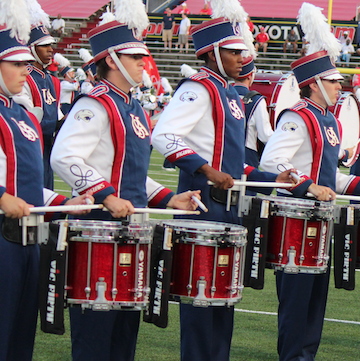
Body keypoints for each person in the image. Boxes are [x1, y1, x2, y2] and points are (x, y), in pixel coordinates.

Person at [52, 3, 201, 359]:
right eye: (134, 57)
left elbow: (131, 171)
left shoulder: (132, 106)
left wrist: (168, 198)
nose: (142, 63)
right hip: (99, 230)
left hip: (132, 228)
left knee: (124, 337)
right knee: (96, 335)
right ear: (113, 60)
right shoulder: (96, 103)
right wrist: (105, 196)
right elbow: (64, 156)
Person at [151, 6, 289, 359]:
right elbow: (164, 136)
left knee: (222, 302)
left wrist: (274, 178)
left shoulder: (229, 93)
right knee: (200, 305)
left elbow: (235, 164)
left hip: (228, 208)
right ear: (212, 54)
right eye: (231, 51)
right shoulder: (198, 88)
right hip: (201, 205)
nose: (239, 57)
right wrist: (207, 170)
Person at [258, 5, 360, 360]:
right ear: (314, 84)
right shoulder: (297, 116)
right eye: (332, 80)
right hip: (295, 220)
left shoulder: (329, 121)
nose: (339, 84)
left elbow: (331, 178)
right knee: (297, 301)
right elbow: (272, 162)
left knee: (316, 301)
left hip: (320, 219)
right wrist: (306, 186)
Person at [0, 3, 94, 359]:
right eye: (16, 63)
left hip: (26, 239)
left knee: (21, 339)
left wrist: (60, 204)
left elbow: (26, 185)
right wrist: (1, 197)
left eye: (27, 62)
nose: (27, 70)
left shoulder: (19, 114)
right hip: (2, 238)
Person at [15, 4, 60, 190]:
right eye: (44, 46)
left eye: (51, 45)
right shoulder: (23, 77)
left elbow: (56, 115)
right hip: (32, 147)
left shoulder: (50, 79)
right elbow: (27, 118)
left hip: (48, 149)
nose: (50, 50)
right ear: (32, 49)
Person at [233, 57, 273, 167]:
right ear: (251, 76)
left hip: (222, 154)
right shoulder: (257, 100)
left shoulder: (223, 94)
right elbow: (265, 135)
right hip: (246, 155)